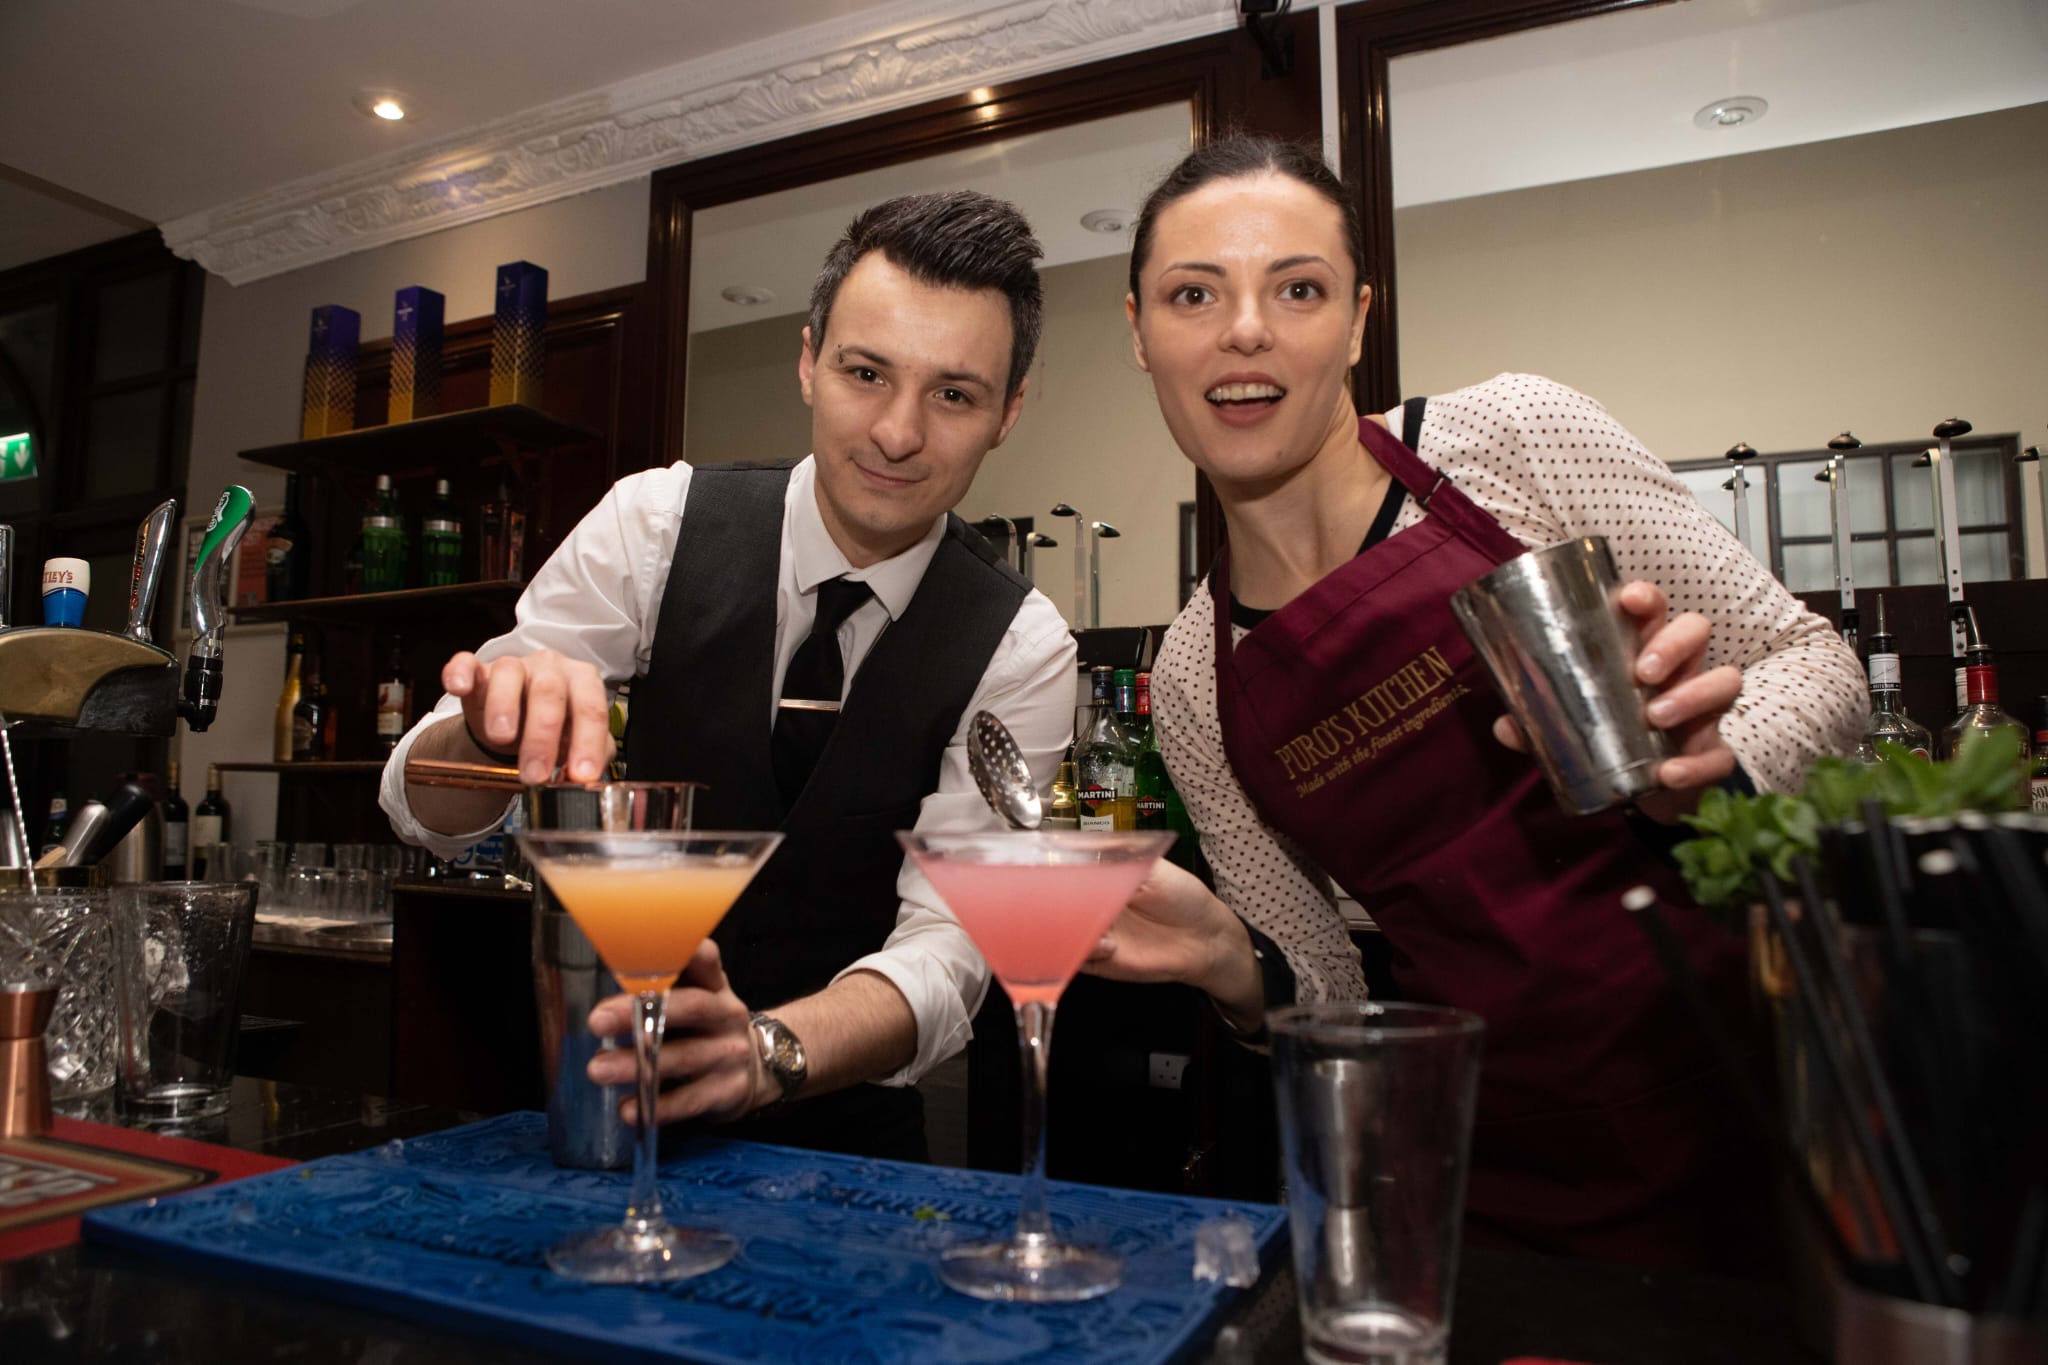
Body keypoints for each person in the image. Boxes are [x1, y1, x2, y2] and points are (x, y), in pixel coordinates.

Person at [1084, 136, 1866, 1268]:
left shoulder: (1511, 440)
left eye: (1297, 289)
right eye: (1192, 294)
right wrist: (1230, 966)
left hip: (1764, 1103)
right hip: (1476, 1177)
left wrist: (1709, 766)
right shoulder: (1199, 680)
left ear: (1357, 321)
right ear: (1139, 331)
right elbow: (1328, 995)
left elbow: (1812, 661)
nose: (1244, 331)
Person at [380, 191, 1078, 1162]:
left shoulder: (1022, 645)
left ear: (1007, 413)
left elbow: (951, 948)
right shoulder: (653, 525)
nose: (896, 432)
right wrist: (490, 733)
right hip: (601, 1109)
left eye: (953, 395)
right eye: (865, 372)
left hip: (849, 1148)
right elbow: (417, 809)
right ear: (808, 361)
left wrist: (765, 1052)